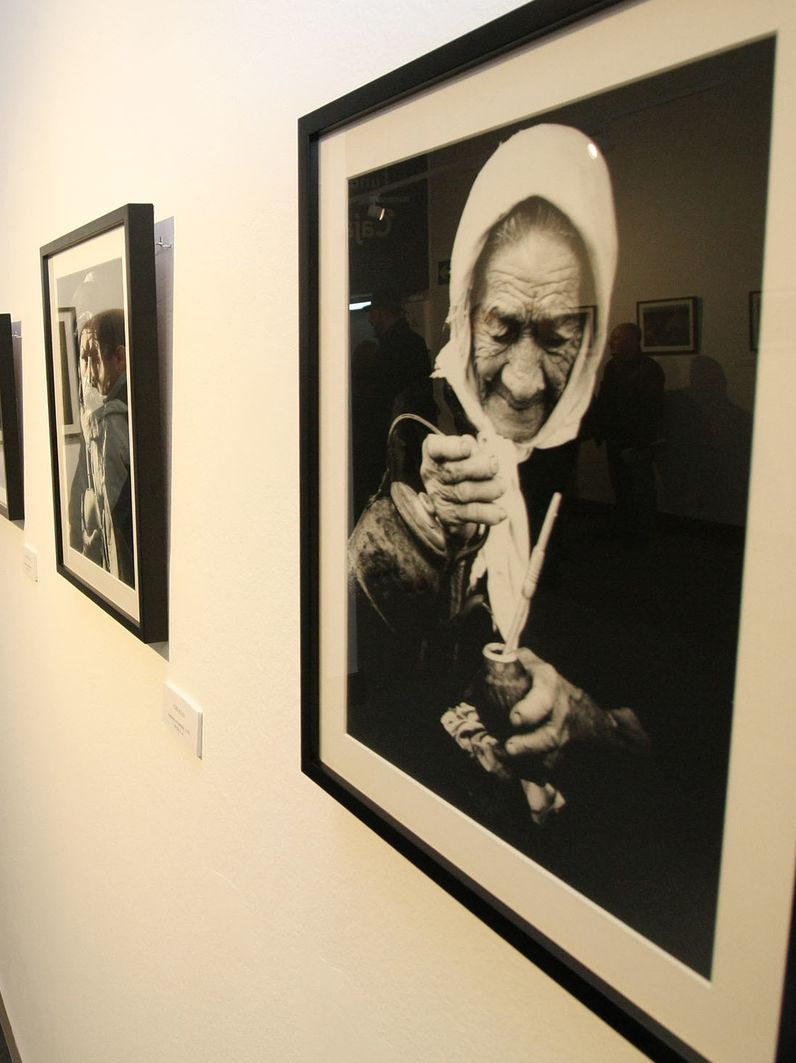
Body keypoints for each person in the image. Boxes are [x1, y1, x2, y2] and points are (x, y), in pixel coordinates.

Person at [348, 125, 647, 824]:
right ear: (464, 311)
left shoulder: (578, 470)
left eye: (557, 334)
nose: (521, 381)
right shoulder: (422, 412)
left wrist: (596, 725)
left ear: (595, 333)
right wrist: (419, 508)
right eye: (503, 326)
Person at [351, 291, 434, 518]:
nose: (370, 320)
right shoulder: (415, 343)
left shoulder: (388, 350)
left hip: (390, 441)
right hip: (411, 439)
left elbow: (377, 400)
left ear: (381, 313)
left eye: (372, 314)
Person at [66, 308, 134, 584]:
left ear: (120, 358)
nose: (88, 374)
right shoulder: (107, 417)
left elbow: (115, 518)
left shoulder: (113, 422)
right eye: (83, 361)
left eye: (93, 360)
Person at [592, 323, 664, 543]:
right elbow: (606, 401)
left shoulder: (649, 369)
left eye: (618, 339)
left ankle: (643, 534)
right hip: (616, 438)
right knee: (621, 487)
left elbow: (649, 410)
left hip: (635, 441)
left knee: (640, 488)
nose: (612, 343)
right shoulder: (612, 367)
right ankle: (626, 530)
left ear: (634, 341)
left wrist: (640, 443)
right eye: (612, 339)